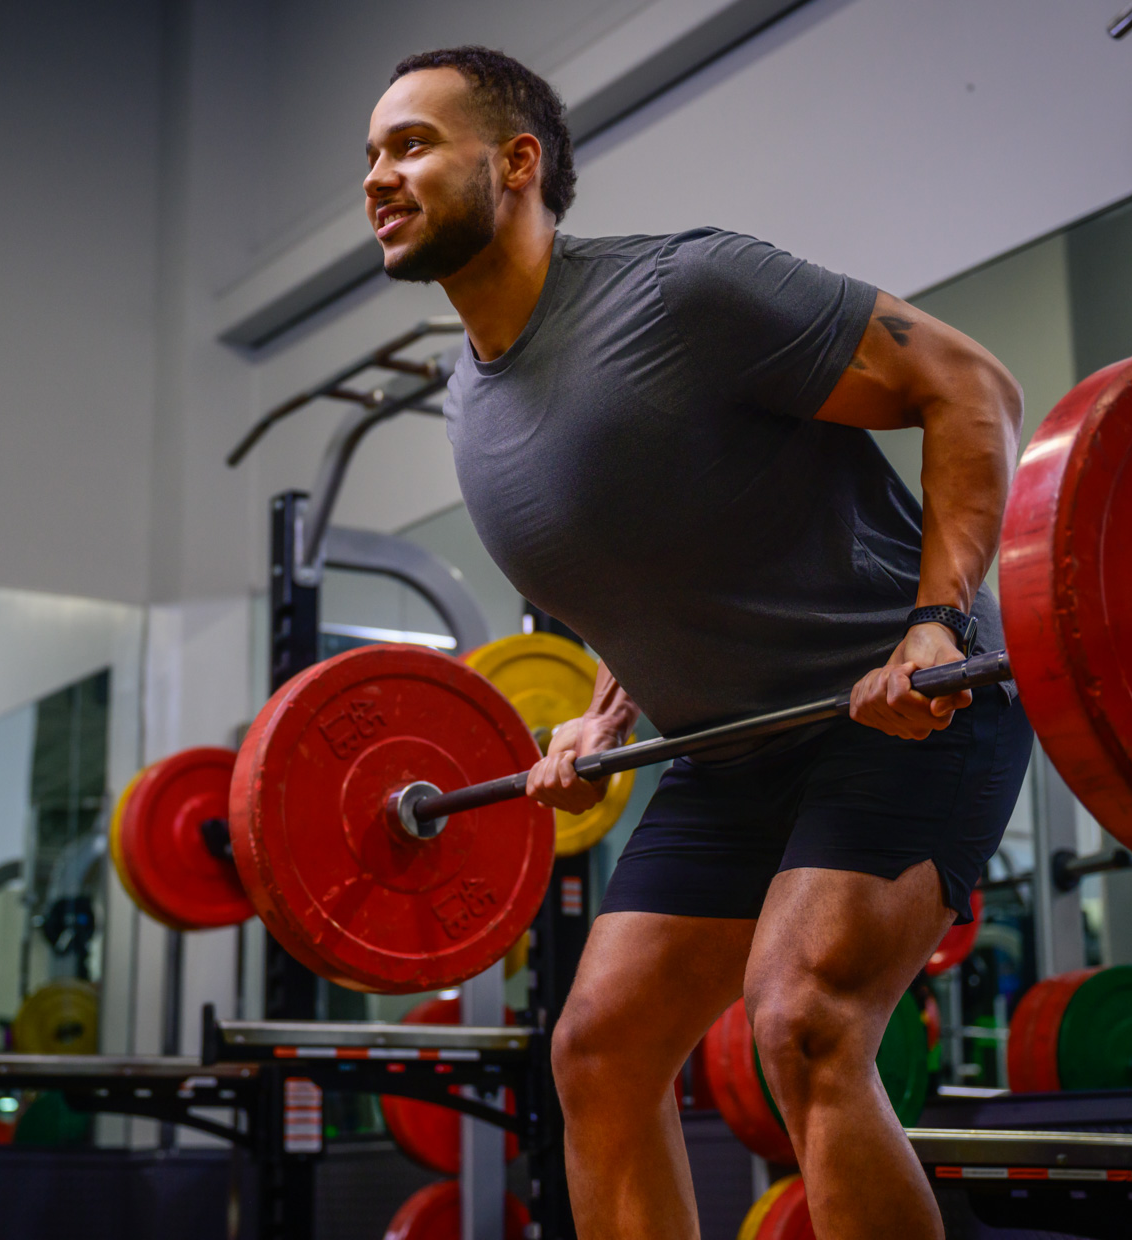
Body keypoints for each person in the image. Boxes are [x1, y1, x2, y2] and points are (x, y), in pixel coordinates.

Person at [363, 45, 1032, 1240]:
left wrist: (937, 623)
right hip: (726, 754)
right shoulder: (467, 400)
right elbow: (661, 564)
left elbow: (970, 385)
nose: (379, 175)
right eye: (371, 155)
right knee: (598, 1050)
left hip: (905, 713)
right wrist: (603, 711)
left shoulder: (685, 291)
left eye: (410, 143)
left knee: (806, 1021)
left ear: (517, 163)